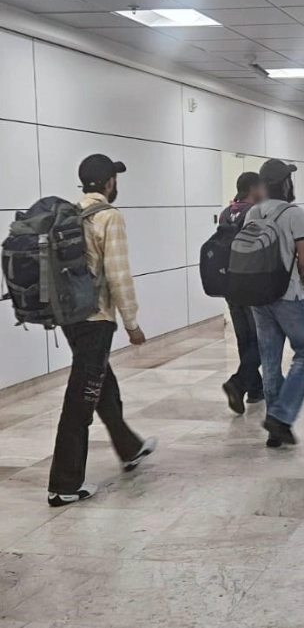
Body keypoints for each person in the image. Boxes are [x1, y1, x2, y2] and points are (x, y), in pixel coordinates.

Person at [47, 154, 156, 507]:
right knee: (81, 399)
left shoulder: (68, 215)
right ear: (109, 182)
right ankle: (63, 485)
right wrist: (132, 324)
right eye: (114, 178)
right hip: (96, 319)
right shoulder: (108, 216)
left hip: (70, 318)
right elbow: (118, 275)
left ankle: (130, 448)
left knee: (100, 383)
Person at [249, 159, 304, 447]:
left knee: (270, 360)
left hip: (258, 296)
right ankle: (281, 415)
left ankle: (275, 428)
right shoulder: (294, 214)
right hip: (288, 295)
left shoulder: (252, 212)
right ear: (286, 183)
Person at [221, 172, 265, 414]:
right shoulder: (254, 213)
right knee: (260, 340)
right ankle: (238, 383)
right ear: (252, 188)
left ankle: (255, 388)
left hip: (229, 283)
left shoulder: (226, 213)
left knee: (244, 339)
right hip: (250, 283)